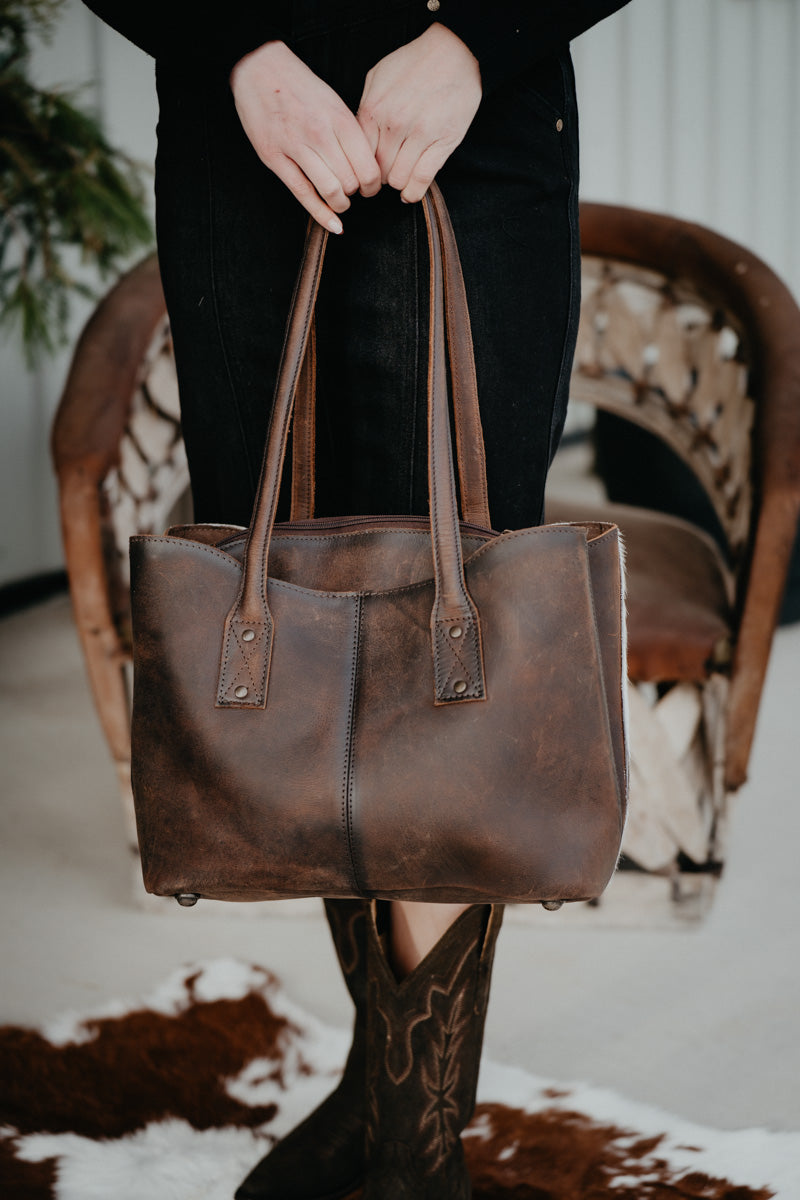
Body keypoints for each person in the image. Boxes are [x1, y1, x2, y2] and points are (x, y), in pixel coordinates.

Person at [83, 2, 631, 1196]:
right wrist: (232, 43)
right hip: (247, 137)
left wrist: (475, 36)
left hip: (466, 124)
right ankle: (388, 1088)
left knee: (447, 673)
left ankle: (411, 1156)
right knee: (296, 624)